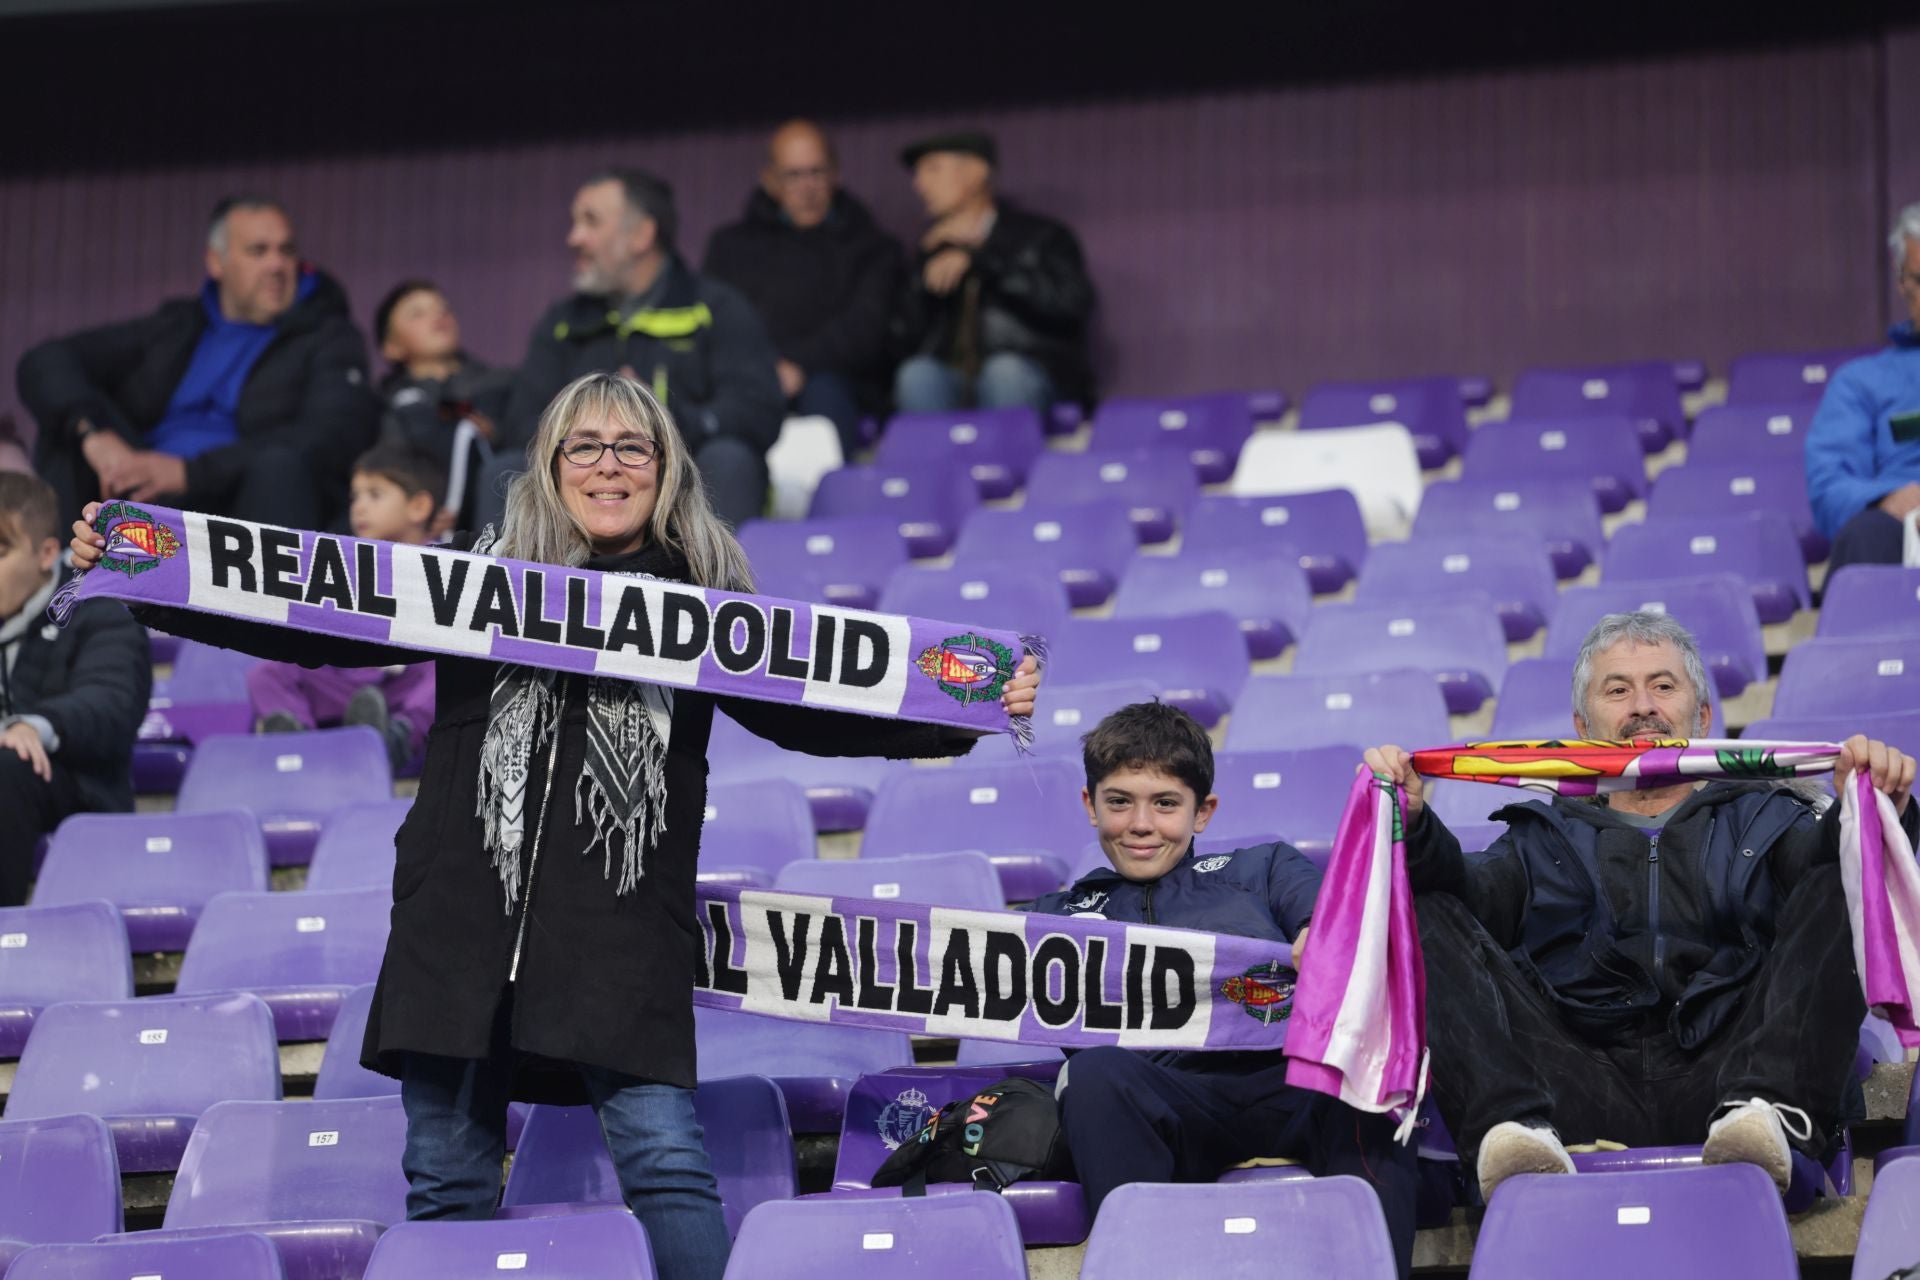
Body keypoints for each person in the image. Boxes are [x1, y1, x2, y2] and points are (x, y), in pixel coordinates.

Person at [72, 372, 1039, 1280]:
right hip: (457, 927)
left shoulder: (703, 608)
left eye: (632, 448)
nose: (608, 466)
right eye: (584, 447)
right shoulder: (464, 580)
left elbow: (810, 703)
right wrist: (142, 563)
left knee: (664, 1163)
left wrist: (967, 704)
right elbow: (307, 611)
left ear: (665, 472)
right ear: (547, 465)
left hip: (618, 934)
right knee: (446, 1178)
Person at [1364, 611, 1918, 1204]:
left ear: (1702, 716)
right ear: (1582, 727)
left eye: (1663, 685)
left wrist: (1871, 806)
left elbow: (1826, 863)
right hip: (1572, 1082)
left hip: (1738, 1075)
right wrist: (1415, 829)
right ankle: (1510, 1128)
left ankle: (1775, 1112)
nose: (1642, 707)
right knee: (1420, 899)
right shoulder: (1541, 831)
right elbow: (1472, 896)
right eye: (1618, 690)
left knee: (1844, 864)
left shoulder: (1768, 812)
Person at [1029, 701, 1418, 1277]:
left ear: (1202, 811)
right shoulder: (1053, 918)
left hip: (1293, 1080)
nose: (1140, 824)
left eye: (1165, 804)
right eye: (1119, 802)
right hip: (1167, 1097)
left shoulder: (1262, 867)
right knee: (1094, 1077)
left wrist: (1323, 941)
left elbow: (1333, 920)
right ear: (1090, 805)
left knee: (1363, 1072)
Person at [18, 195, 376, 530]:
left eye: (287, 250)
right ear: (216, 262)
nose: (278, 265)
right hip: (144, 491)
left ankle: (260, 597)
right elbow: (45, 360)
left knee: (280, 465)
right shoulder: (177, 327)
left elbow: (333, 434)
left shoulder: (328, 337)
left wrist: (192, 472)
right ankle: (70, 582)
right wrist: (93, 432)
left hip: (238, 500)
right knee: (70, 419)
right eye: (258, 251)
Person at [491, 170, 784, 529]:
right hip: (584, 487)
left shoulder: (716, 309)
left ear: (642, 235)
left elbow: (757, 412)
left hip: (682, 485)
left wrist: (658, 422)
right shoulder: (563, 322)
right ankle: (508, 584)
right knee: (503, 466)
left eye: (590, 222)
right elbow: (522, 422)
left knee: (730, 458)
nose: (574, 238)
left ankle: (716, 583)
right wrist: (586, 435)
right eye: (575, 222)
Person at [702, 120, 903, 459]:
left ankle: (834, 506)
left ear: (836, 174)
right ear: (770, 180)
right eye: (793, 175)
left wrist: (798, 365)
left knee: (826, 392)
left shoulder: (873, 247)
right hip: (748, 378)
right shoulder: (729, 247)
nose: (807, 186)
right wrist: (764, 369)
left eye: (817, 172)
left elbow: (867, 328)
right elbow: (715, 324)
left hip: (837, 383)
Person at [244, 444, 441, 772]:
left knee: (450, 671)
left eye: (374, 495)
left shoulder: (449, 563)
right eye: (355, 497)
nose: (360, 508)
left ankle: (394, 742)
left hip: (406, 688)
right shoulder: (343, 564)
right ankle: (300, 744)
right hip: (347, 683)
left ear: (418, 506)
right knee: (268, 672)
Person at [1, 472, 150, 905]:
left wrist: (35, 726)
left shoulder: (98, 607)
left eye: (0, 550)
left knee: (9, 766)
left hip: (80, 790)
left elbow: (111, 702)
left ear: (47, 553)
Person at [891, 130, 1095, 416]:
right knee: (917, 376)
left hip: (1029, 376)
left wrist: (983, 261)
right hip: (955, 382)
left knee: (1003, 373)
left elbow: (1071, 304)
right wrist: (920, 276)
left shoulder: (1040, 235)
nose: (920, 184)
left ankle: (1007, 462)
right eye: (918, 173)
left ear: (976, 173)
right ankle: (932, 461)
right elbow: (901, 338)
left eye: (933, 169)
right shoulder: (932, 249)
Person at [1806, 201, 1920, 570]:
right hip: (1903, 526)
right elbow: (1830, 489)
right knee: (1862, 535)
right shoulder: (1858, 383)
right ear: (1902, 280)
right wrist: (1888, 499)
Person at [373, 280, 514, 534]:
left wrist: (495, 436)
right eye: (417, 313)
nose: (438, 315)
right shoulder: (380, 405)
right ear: (391, 347)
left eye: (444, 309)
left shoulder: (501, 384)